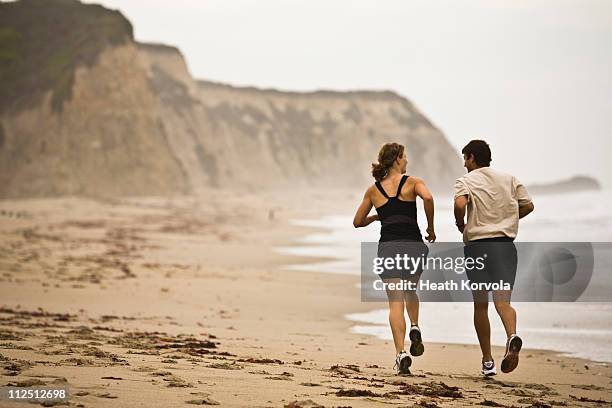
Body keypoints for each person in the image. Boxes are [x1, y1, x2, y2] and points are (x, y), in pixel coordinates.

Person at [353, 142, 436, 375]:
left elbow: (357, 221)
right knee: (411, 290)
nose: (407, 160)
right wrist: (431, 228)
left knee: (395, 303)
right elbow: (428, 199)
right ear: (398, 159)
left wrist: (376, 218)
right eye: (405, 156)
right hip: (414, 247)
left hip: (388, 248)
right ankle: (416, 326)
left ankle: (400, 354)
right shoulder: (413, 182)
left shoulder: (373, 190)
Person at [454, 140, 534, 376]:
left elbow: (460, 204)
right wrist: (508, 219)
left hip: (477, 249)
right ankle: (512, 336)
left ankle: (487, 362)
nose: (464, 163)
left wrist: (461, 223)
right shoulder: (510, 178)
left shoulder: (465, 181)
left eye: (465, 158)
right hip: (505, 248)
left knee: (480, 305)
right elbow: (528, 205)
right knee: (502, 302)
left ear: (471, 157)